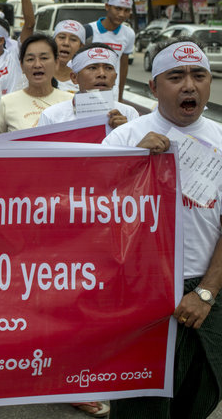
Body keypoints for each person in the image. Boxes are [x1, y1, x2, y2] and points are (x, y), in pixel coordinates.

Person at [102, 38, 222, 418]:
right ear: (153, 86)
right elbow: (91, 219)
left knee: (199, 398)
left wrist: (205, 293)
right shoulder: (123, 139)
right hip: (139, 296)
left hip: (205, 295)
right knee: (139, 407)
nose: (190, 85)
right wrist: (131, 163)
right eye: (176, 76)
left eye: (198, 75)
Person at [39, 43, 138, 129]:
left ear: (115, 78)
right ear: (74, 78)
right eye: (92, 68)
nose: (102, 74)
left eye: (108, 68)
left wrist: (125, 131)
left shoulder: (129, 114)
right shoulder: (52, 116)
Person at [0, 34, 70, 133]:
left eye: (44, 58)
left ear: (56, 63)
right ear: (22, 66)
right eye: (30, 59)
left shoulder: (71, 101)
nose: (37, 65)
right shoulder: (5, 103)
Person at [88, 0, 136, 102]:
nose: (121, 14)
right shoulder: (88, 30)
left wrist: (120, 96)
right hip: (88, 93)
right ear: (107, 7)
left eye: (127, 10)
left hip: (112, 95)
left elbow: (123, 66)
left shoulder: (129, 34)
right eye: (118, 9)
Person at [53, 20, 86, 92]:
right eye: (61, 37)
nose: (66, 43)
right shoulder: (40, 74)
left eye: (73, 40)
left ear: (81, 47)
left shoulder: (86, 81)